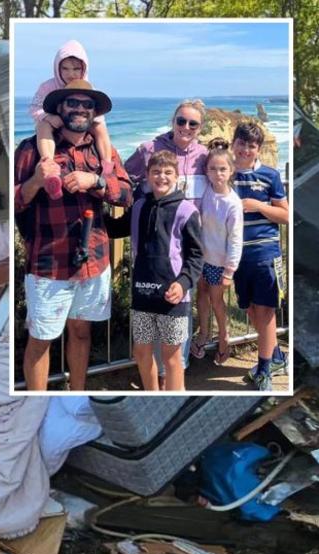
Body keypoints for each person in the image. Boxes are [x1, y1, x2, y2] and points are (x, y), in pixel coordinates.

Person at [14, 79, 131, 391]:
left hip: (94, 261)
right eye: (73, 103)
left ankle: (76, 396)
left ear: (93, 113)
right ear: (59, 108)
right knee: (41, 339)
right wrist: (36, 181)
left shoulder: (104, 152)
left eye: (86, 105)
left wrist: (96, 181)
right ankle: (36, 408)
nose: (80, 109)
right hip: (49, 264)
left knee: (81, 332)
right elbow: (12, 201)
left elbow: (126, 194)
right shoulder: (31, 150)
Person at [124, 100, 209, 378]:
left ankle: (174, 375)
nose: (186, 127)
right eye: (181, 121)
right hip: (156, 246)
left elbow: (223, 183)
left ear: (200, 128)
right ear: (173, 121)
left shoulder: (204, 156)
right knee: (153, 316)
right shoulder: (150, 149)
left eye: (192, 123)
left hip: (188, 244)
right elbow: (124, 178)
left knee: (179, 307)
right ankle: (159, 377)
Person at [105, 151, 202, 391]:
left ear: (177, 176)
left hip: (173, 298)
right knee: (141, 351)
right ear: (147, 175)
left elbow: (197, 256)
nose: (162, 177)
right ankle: (152, 395)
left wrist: (183, 283)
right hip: (142, 296)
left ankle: (174, 399)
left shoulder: (186, 211)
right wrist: (94, 206)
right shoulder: (139, 207)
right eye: (156, 172)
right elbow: (115, 229)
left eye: (168, 172)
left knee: (172, 357)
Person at [230, 121, 289, 391]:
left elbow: (285, 215)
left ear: (258, 149)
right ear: (234, 144)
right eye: (241, 143)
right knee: (252, 309)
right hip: (236, 254)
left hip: (265, 253)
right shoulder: (225, 173)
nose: (245, 149)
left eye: (251, 145)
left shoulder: (270, 176)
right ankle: (276, 357)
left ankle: (264, 371)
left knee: (265, 311)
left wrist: (257, 206)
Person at [28, 40, 115, 200]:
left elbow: (98, 117)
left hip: (79, 126)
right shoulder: (48, 86)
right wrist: (48, 117)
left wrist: (91, 121)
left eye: (76, 69)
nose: (71, 74)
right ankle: (49, 165)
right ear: (57, 68)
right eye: (65, 68)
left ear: (84, 69)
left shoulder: (89, 87)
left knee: (101, 127)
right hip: (54, 124)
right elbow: (34, 108)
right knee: (42, 126)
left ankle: (107, 166)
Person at [191, 140, 243, 366]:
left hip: (219, 263)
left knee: (216, 301)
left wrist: (230, 270)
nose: (218, 173)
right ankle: (203, 333)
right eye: (213, 168)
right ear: (206, 171)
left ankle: (223, 339)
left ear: (231, 171)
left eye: (223, 169)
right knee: (200, 295)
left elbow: (235, 238)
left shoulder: (232, 203)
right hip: (201, 258)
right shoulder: (205, 192)